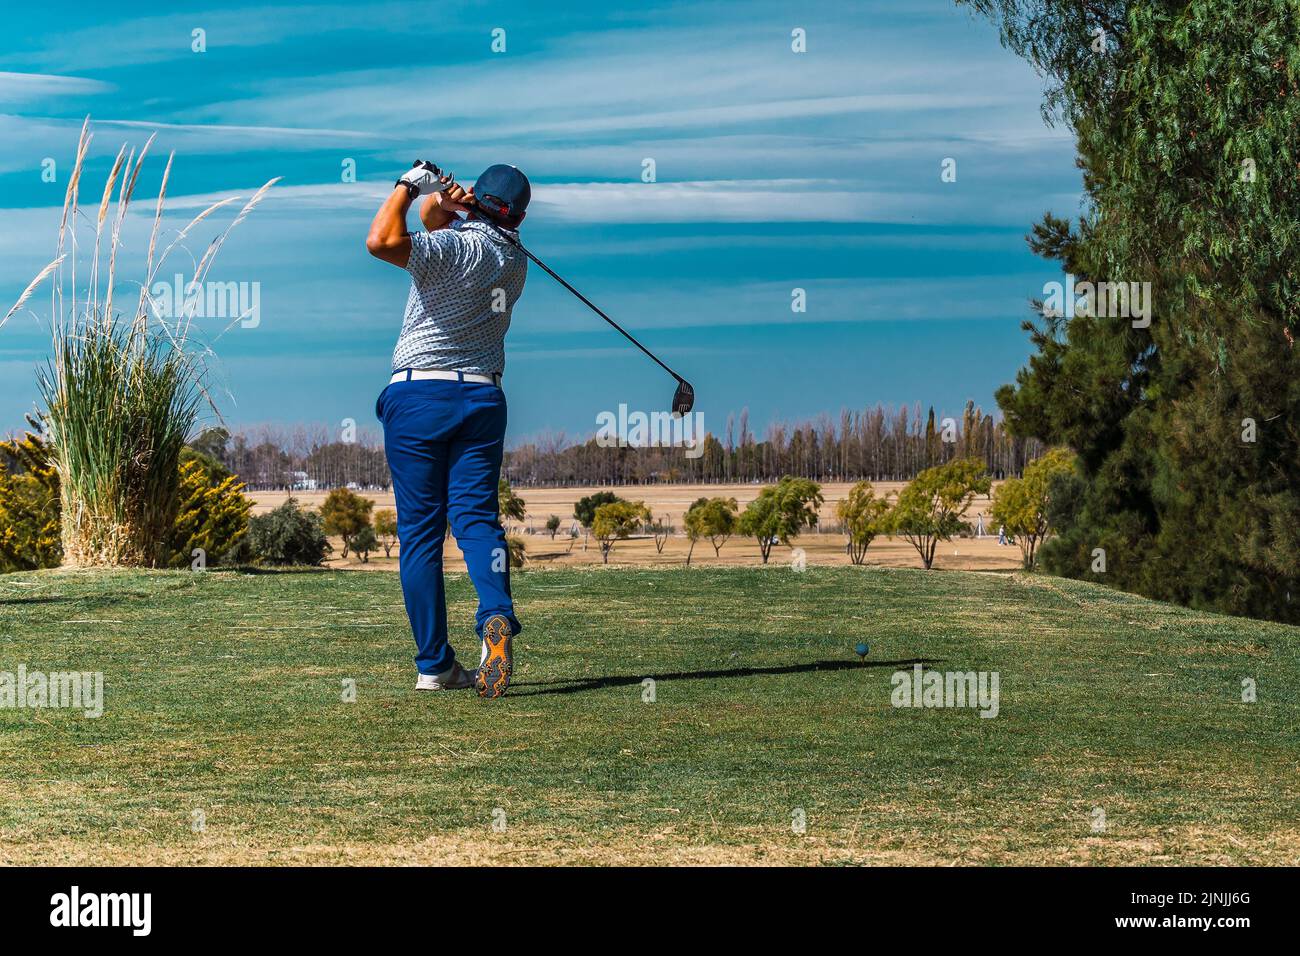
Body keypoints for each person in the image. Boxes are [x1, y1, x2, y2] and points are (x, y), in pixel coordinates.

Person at [365, 160, 532, 698]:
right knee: (477, 521)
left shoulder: (453, 249)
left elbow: (381, 241)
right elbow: (446, 230)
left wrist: (409, 186)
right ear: (521, 217)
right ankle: (496, 617)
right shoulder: (514, 260)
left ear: (479, 202)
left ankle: (435, 665)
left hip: (419, 397)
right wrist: (449, 202)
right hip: (482, 396)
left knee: (419, 536)